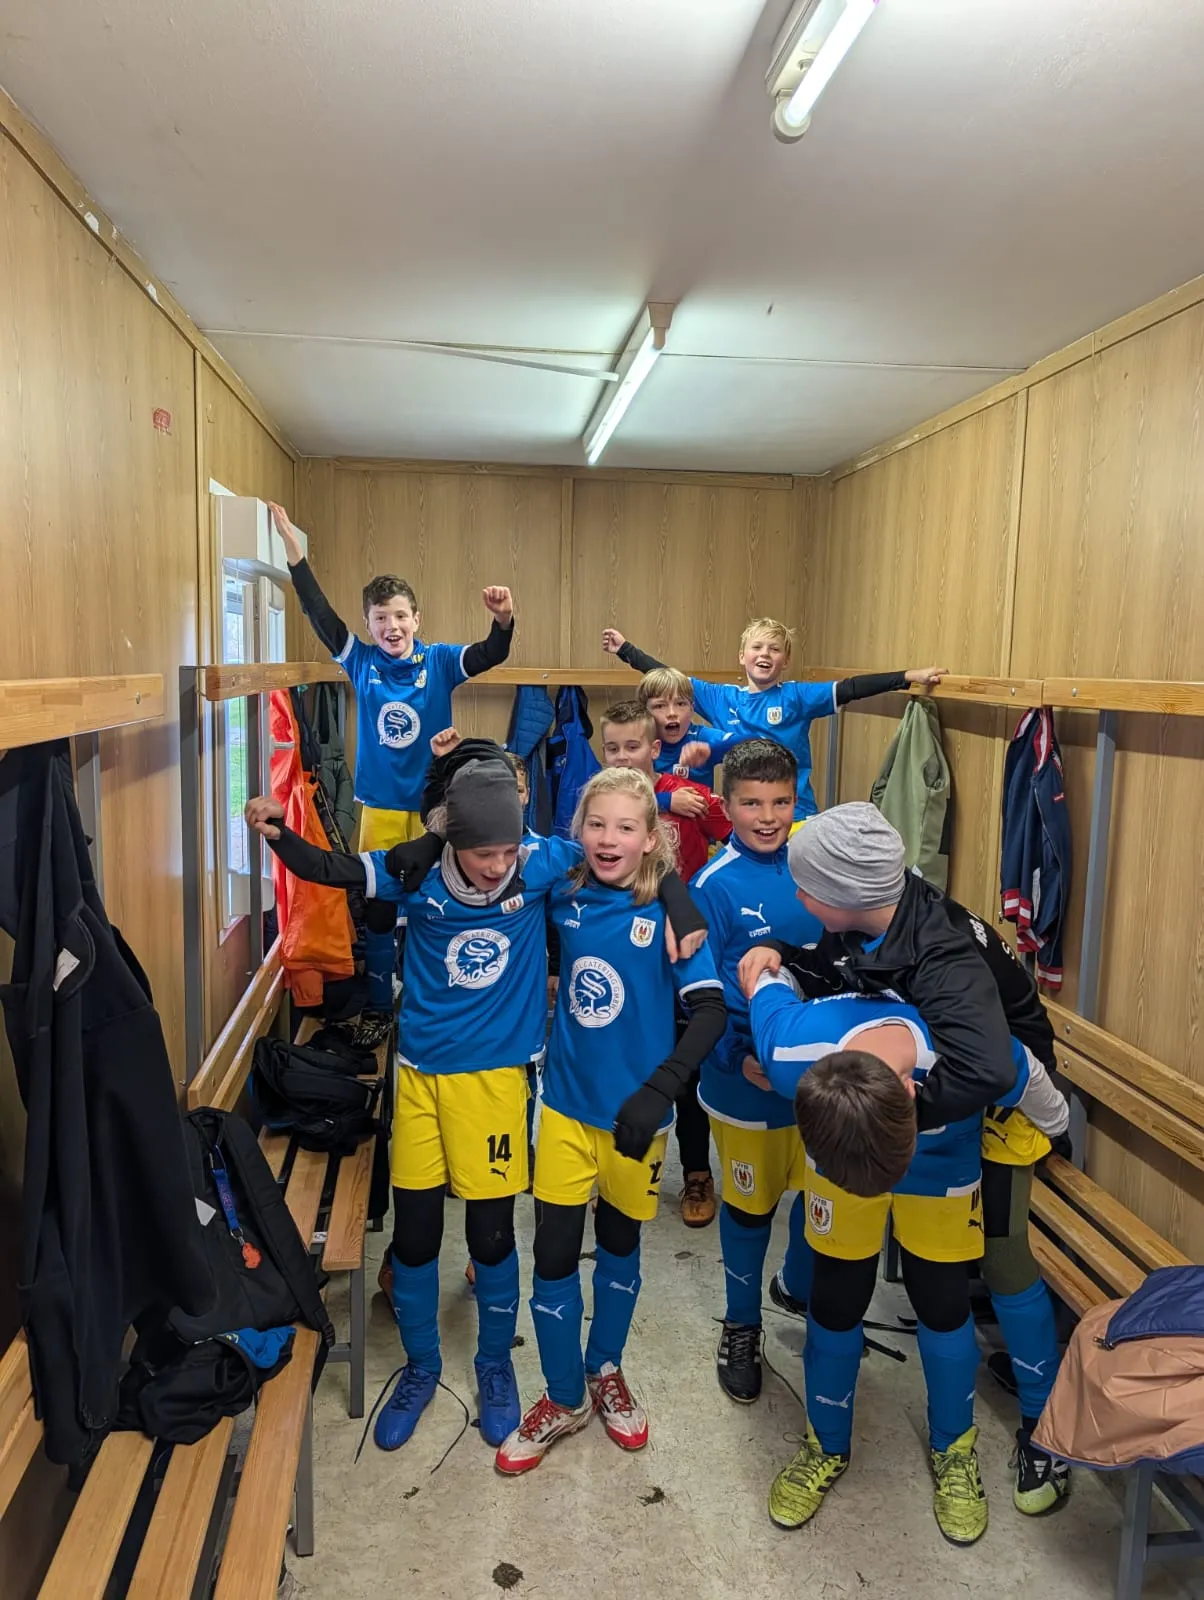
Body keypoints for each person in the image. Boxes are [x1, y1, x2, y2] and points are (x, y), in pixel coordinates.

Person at [246, 748, 705, 1456]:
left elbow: (630, 852)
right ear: (452, 838)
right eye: (482, 851)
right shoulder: (420, 871)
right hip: (418, 1076)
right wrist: (278, 833)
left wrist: (678, 897)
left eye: (507, 850)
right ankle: (422, 1367)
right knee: (416, 1235)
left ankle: (495, 1363)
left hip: (494, 1080)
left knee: (491, 1236)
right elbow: (334, 871)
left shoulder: (544, 861)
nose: (496, 866)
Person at [739, 801, 1072, 1512]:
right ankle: (825, 1442)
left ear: (845, 897)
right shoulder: (866, 917)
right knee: (841, 1279)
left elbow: (999, 1068)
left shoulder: (945, 962)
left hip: (993, 1103)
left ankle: (1036, 1434)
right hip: (899, 1089)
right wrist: (786, 959)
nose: (795, 895)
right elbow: (827, 971)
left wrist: (903, 1117)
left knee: (992, 1264)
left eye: (805, 888)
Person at [495, 768, 726, 1474]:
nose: (608, 838)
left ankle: (606, 1368)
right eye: (596, 823)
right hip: (564, 1108)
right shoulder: (565, 891)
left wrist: (660, 1091)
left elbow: (711, 1012)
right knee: (554, 1255)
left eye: (626, 827)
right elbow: (508, 849)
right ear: (579, 830)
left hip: (635, 1120)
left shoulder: (670, 915)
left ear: (651, 838)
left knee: (621, 1245)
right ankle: (564, 1396)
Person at [268, 502, 516, 1044]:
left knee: (437, 905)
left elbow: (491, 653)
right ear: (369, 625)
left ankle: (436, 998)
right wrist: (294, 553)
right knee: (380, 913)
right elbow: (320, 615)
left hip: (435, 813)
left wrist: (502, 620)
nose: (392, 626)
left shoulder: (441, 661)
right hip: (380, 809)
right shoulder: (360, 660)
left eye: (400, 616)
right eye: (381, 618)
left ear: (416, 620)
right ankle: (381, 1006)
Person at [687, 740, 823, 1402]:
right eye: (751, 803)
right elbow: (695, 995)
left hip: (822, 1080)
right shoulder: (712, 886)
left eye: (780, 802)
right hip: (745, 1083)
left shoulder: (818, 861)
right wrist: (737, 1058)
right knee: (749, 1208)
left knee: (821, 1196)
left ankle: (797, 1285)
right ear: (727, 804)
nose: (768, 817)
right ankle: (742, 1325)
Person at [602, 618, 947, 822]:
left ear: (786, 660)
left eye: (774, 649)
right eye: (757, 647)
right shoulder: (721, 698)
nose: (764, 654)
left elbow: (851, 688)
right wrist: (626, 650)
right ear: (742, 656)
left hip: (794, 812)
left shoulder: (796, 697)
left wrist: (908, 677)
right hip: (741, 814)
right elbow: (666, 677)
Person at [600, 700, 730, 1224]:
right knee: (621, 1055)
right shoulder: (603, 803)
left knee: (687, 1065)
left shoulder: (690, 796)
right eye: (612, 749)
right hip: (622, 949)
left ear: (655, 748)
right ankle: (611, 1165)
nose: (623, 758)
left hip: (682, 945)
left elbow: (739, 831)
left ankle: (696, 1171)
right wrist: (659, 797)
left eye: (633, 747)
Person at [635, 666, 745, 789]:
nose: (672, 713)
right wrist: (668, 798)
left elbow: (756, 744)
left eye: (680, 704)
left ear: (692, 709)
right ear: (644, 712)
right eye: (660, 706)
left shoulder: (700, 737)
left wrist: (712, 749)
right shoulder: (635, 742)